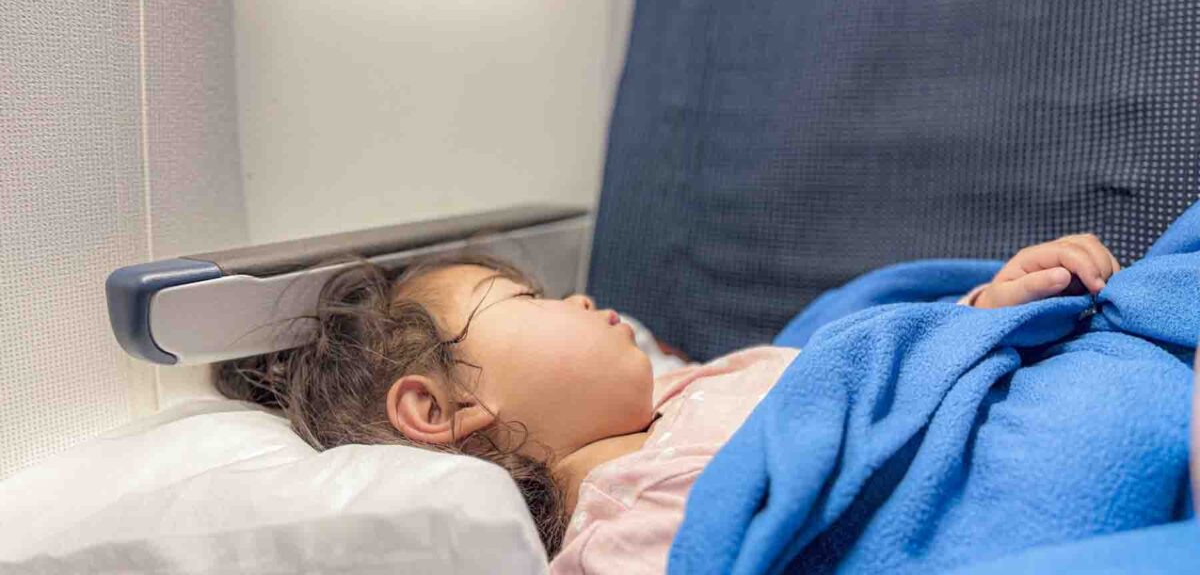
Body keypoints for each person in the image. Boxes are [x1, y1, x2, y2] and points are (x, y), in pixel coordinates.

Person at [213, 234, 1120, 569]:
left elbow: (854, 376)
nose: (574, 301)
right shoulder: (626, 531)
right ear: (440, 409)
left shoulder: (683, 389)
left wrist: (981, 312)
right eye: (526, 300)